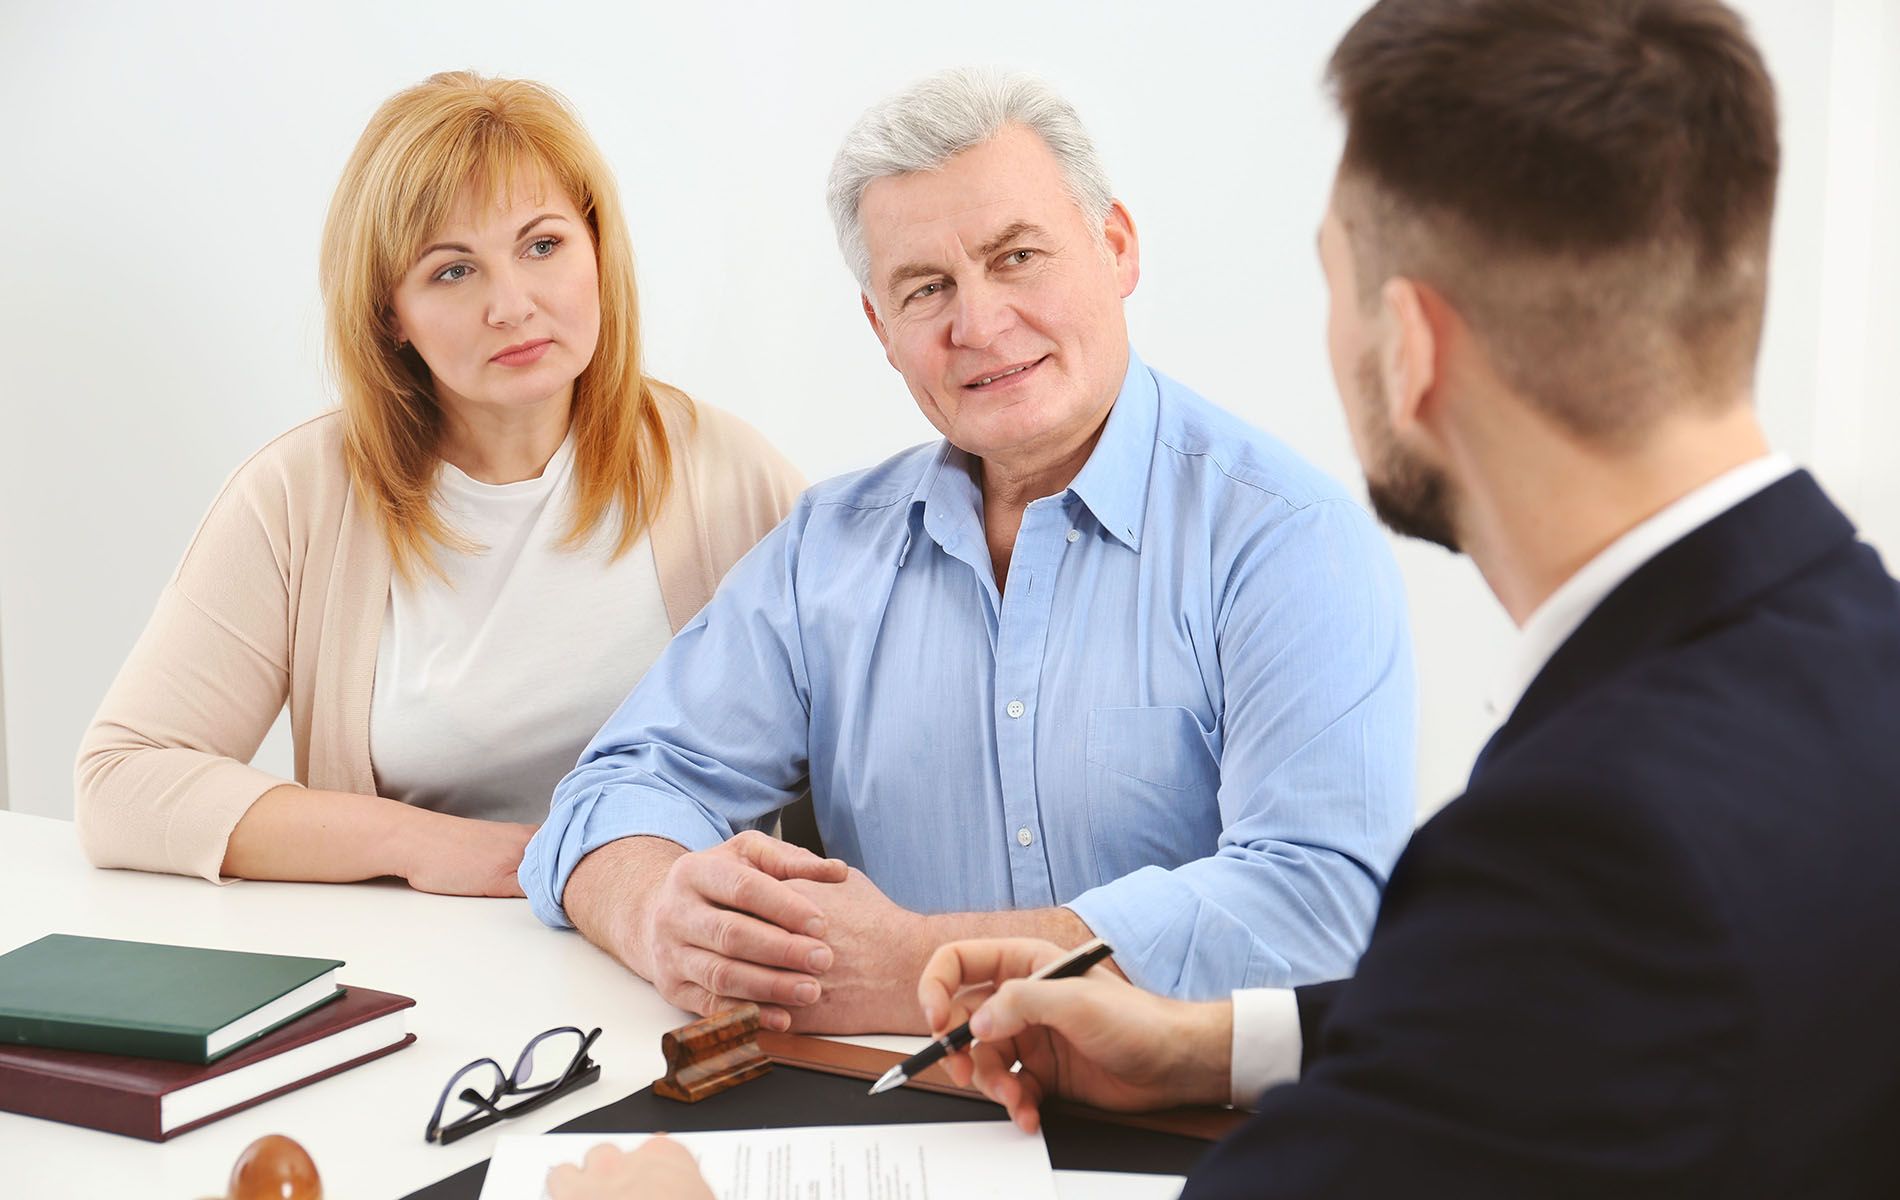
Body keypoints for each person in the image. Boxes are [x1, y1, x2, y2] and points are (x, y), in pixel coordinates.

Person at [565, 0, 1900, 1195]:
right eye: (928, 288)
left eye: (1331, 281)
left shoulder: (1581, 822)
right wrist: (1210, 1043)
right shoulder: (1839, 668)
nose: (979, 320)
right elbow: (1525, 1027)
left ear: (1410, 344)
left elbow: (1378, 949)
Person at [522, 68, 1416, 1034]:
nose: (979, 324)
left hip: (1195, 1136)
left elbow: (1327, 906)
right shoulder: (826, 549)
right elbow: (615, 791)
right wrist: (662, 912)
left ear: (1115, 248)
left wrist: (923, 966)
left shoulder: (1286, 537)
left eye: (1018, 256)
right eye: (926, 288)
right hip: (885, 1125)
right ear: (882, 329)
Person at [74, 72, 803, 895]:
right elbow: (121, 782)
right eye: (453, 272)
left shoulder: (728, 475)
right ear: (390, 314)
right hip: (421, 968)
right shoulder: (298, 498)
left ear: (598, 250)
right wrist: (421, 845)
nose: (513, 305)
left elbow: (850, 767)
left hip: (671, 964)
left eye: (543, 245)